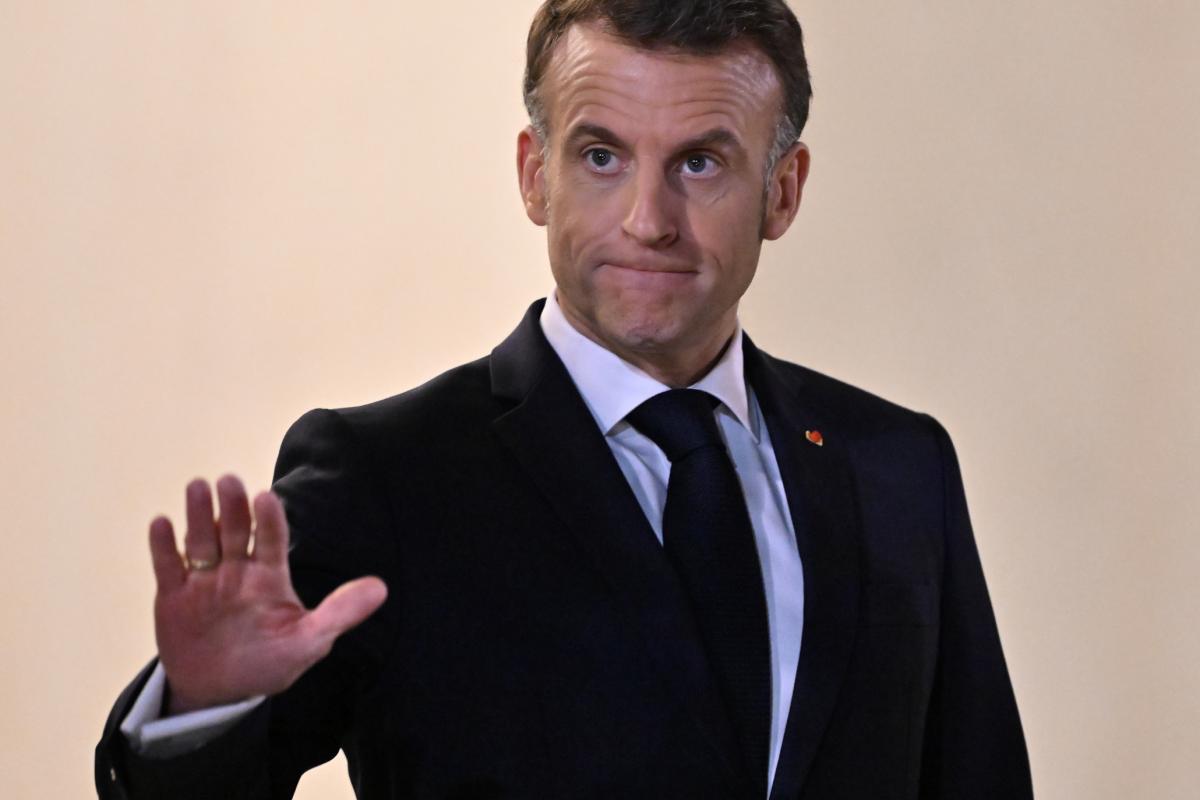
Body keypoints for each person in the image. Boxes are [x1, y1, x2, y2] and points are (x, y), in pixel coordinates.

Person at [96, 1, 1033, 798]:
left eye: (700, 163)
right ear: (533, 175)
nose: (648, 220)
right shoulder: (387, 477)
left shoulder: (898, 467)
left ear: (782, 192)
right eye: (601, 156)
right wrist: (206, 709)